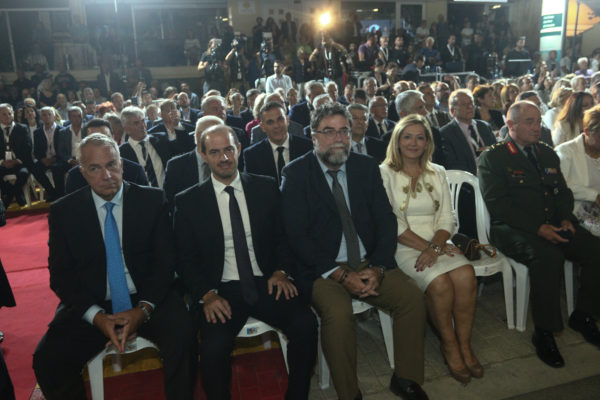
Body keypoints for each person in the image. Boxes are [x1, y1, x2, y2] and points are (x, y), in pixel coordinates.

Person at [280, 103, 428, 400]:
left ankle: (406, 378)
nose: (338, 138)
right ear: (313, 137)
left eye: (344, 131)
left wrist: (379, 267)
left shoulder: (365, 167)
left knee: (412, 298)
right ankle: (349, 394)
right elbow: (297, 236)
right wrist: (340, 274)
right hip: (323, 269)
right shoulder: (296, 174)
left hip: (368, 261)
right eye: (329, 131)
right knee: (338, 313)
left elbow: (386, 221)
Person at [32, 133, 196, 399]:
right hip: (93, 303)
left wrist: (143, 310)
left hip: (148, 296)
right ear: (82, 171)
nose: (106, 175)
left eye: (111, 165)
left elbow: (166, 263)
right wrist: (97, 317)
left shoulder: (152, 200)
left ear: (121, 164)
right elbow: (61, 276)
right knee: (48, 359)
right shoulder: (65, 212)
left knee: (184, 337)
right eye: (95, 168)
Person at [174, 125, 318, 400]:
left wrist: (281, 271)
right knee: (213, 349)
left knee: (306, 324)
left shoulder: (265, 187)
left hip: (267, 281)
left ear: (239, 149)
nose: (224, 158)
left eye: (229, 149)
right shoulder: (189, 201)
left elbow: (283, 237)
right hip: (221, 290)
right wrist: (206, 294)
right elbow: (184, 259)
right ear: (203, 155)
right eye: (215, 152)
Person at [479, 100, 600, 368]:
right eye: (529, 122)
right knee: (548, 258)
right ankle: (544, 333)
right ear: (511, 125)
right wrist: (538, 228)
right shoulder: (494, 157)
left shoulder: (546, 153)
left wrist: (565, 218)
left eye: (538, 121)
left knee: (594, 250)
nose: (537, 127)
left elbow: (562, 192)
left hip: (553, 223)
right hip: (512, 228)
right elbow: (499, 205)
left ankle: (584, 315)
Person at [380, 114, 480, 384]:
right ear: (397, 141)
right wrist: (430, 248)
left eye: (420, 137)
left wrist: (435, 247)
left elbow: (448, 218)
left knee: (466, 275)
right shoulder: (384, 173)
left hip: (439, 242)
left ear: (427, 143)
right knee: (440, 283)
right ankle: (449, 345)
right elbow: (392, 224)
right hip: (403, 246)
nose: (413, 143)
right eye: (407, 137)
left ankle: (465, 344)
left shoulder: (437, 171)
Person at [441, 89, 496, 237]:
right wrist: (476, 169)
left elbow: (498, 153)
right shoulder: (446, 133)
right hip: (467, 184)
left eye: (471, 103)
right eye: (464, 104)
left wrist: (489, 153)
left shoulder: (484, 127)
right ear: (452, 110)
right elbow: (451, 164)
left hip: (492, 178)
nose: (470, 107)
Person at [65, 119, 148, 194]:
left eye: (106, 138)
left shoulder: (135, 171)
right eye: (95, 140)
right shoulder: (75, 177)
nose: (106, 176)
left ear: (114, 138)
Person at [556, 105, 600, 236]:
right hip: (575, 213)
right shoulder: (566, 151)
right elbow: (561, 185)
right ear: (587, 131)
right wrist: (594, 196)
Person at [243, 102, 312, 183]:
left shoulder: (308, 148)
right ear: (262, 127)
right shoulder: (252, 155)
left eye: (280, 119)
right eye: (270, 122)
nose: (276, 125)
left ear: (287, 120)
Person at [163, 116, 223, 207]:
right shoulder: (176, 166)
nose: (222, 140)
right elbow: (170, 203)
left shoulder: (227, 162)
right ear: (199, 136)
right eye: (217, 134)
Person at [119, 106, 170, 188]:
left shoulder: (161, 139)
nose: (142, 125)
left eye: (143, 121)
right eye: (136, 123)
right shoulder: (121, 153)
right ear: (127, 129)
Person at [32, 107, 69, 200]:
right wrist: (42, 159)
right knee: (35, 168)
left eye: (49, 114)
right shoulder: (37, 132)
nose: (47, 117)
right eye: (44, 115)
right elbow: (36, 150)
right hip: (45, 159)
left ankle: (60, 194)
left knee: (56, 168)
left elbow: (65, 150)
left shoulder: (62, 130)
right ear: (41, 117)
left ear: (54, 116)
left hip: (59, 158)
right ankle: (52, 192)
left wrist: (54, 159)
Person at [0, 104, 32, 206]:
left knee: (23, 173)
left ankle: (10, 196)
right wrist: (2, 162)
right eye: (4, 114)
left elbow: (28, 148)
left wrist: (16, 161)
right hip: (2, 163)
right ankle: (13, 191)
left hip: (19, 162)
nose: (8, 116)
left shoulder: (22, 128)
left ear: (13, 114)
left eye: (10, 113)